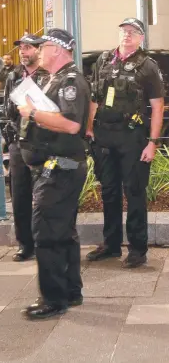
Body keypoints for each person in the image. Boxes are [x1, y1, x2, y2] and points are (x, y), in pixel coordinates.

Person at [18, 28, 90, 319]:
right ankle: (71, 291)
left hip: (61, 166)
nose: (38, 51)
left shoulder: (70, 81)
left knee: (46, 232)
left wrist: (32, 113)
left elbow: (72, 125)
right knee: (64, 231)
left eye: (43, 46)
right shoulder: (54, 79)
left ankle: (53, 299)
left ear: (58, 50)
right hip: (58, 164)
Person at [86, 18, 165, 268]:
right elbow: (95, 97)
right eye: (123, 31)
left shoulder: (148, 66)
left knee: (134, 192)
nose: (127, 36)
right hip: (104, 135)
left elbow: (157, 106)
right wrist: (89, 128)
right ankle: (110, 245)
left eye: (133, 32)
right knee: (109, 192)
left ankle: (137, 249)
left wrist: (152, 142)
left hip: (132, 137)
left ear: (141, 38)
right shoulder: (104, 60)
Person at [4, 34, 50, 262]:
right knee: (19, 195)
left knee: (45, 196)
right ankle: (25, 244)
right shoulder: (13, 75)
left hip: (42, 143)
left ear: (39, 50)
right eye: (21, 48)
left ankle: (45, 242)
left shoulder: (49, 75)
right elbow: (7, 109)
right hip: (18, 142)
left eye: (28, 47)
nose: (23, 52)